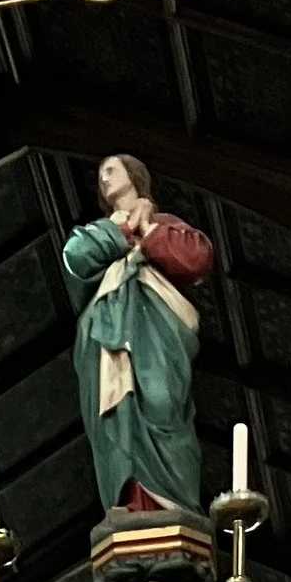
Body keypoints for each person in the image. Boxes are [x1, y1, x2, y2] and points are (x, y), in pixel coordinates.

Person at [63, 151, 217, 517]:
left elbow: (197, 258)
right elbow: (76, 258)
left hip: (158, 330)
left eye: (111, 170)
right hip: (106, 338)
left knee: (163, 401)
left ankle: (172, 503)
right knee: (115, 416)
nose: (103, 179)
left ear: (134, 175)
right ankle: (127, 503)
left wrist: (148, 229)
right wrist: (120, 228)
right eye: (100, 175)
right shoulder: (102, 230)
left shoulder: (164, 224)